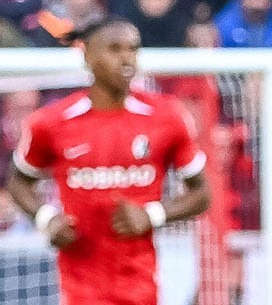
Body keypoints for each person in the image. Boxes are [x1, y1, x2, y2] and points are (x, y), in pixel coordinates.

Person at [7, 19, 211, 305]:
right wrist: (47, 219)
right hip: (78, 288)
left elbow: (202, 194)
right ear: (88, 55)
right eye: (115, 49)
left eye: (133, 49)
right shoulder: (51, 122)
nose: (127, 59)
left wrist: (152, 215)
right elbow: (19, 183)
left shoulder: (167, 117)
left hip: (141, 287)